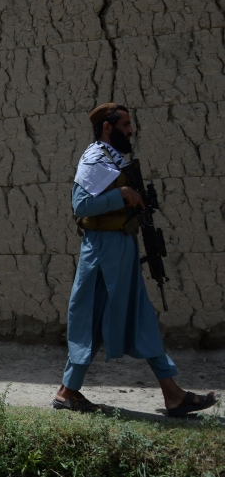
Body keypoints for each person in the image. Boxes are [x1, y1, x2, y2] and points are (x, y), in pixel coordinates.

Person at [53, 103, 216, 416]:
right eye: (125, 124)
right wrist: (123, 195)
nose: (131, 130)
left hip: (121, 248)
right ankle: (67, 391)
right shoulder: (96, 157)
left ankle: (172, 393)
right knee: (88, 316)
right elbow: (82, 205)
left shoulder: (114, 161)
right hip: (102, 251)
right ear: (107, 128)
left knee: (140, 314)